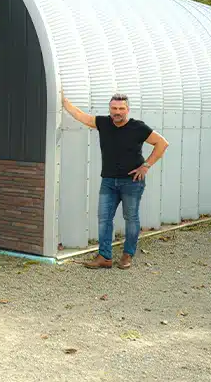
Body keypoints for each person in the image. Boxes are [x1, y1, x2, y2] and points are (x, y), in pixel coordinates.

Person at [61, 91, 169, 269]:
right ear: (109, 109)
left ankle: (127, 255)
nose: (117, 112)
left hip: (131, 182)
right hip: (109, 181)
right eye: (114, 108)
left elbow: (162, 143)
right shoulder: (103, 123)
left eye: (121, 108)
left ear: (127, 110)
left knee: (131, 218)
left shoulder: (138, 127)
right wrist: (63, 100)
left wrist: (146, 166)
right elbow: (81, 116)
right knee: (104, 218)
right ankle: (105, 257)